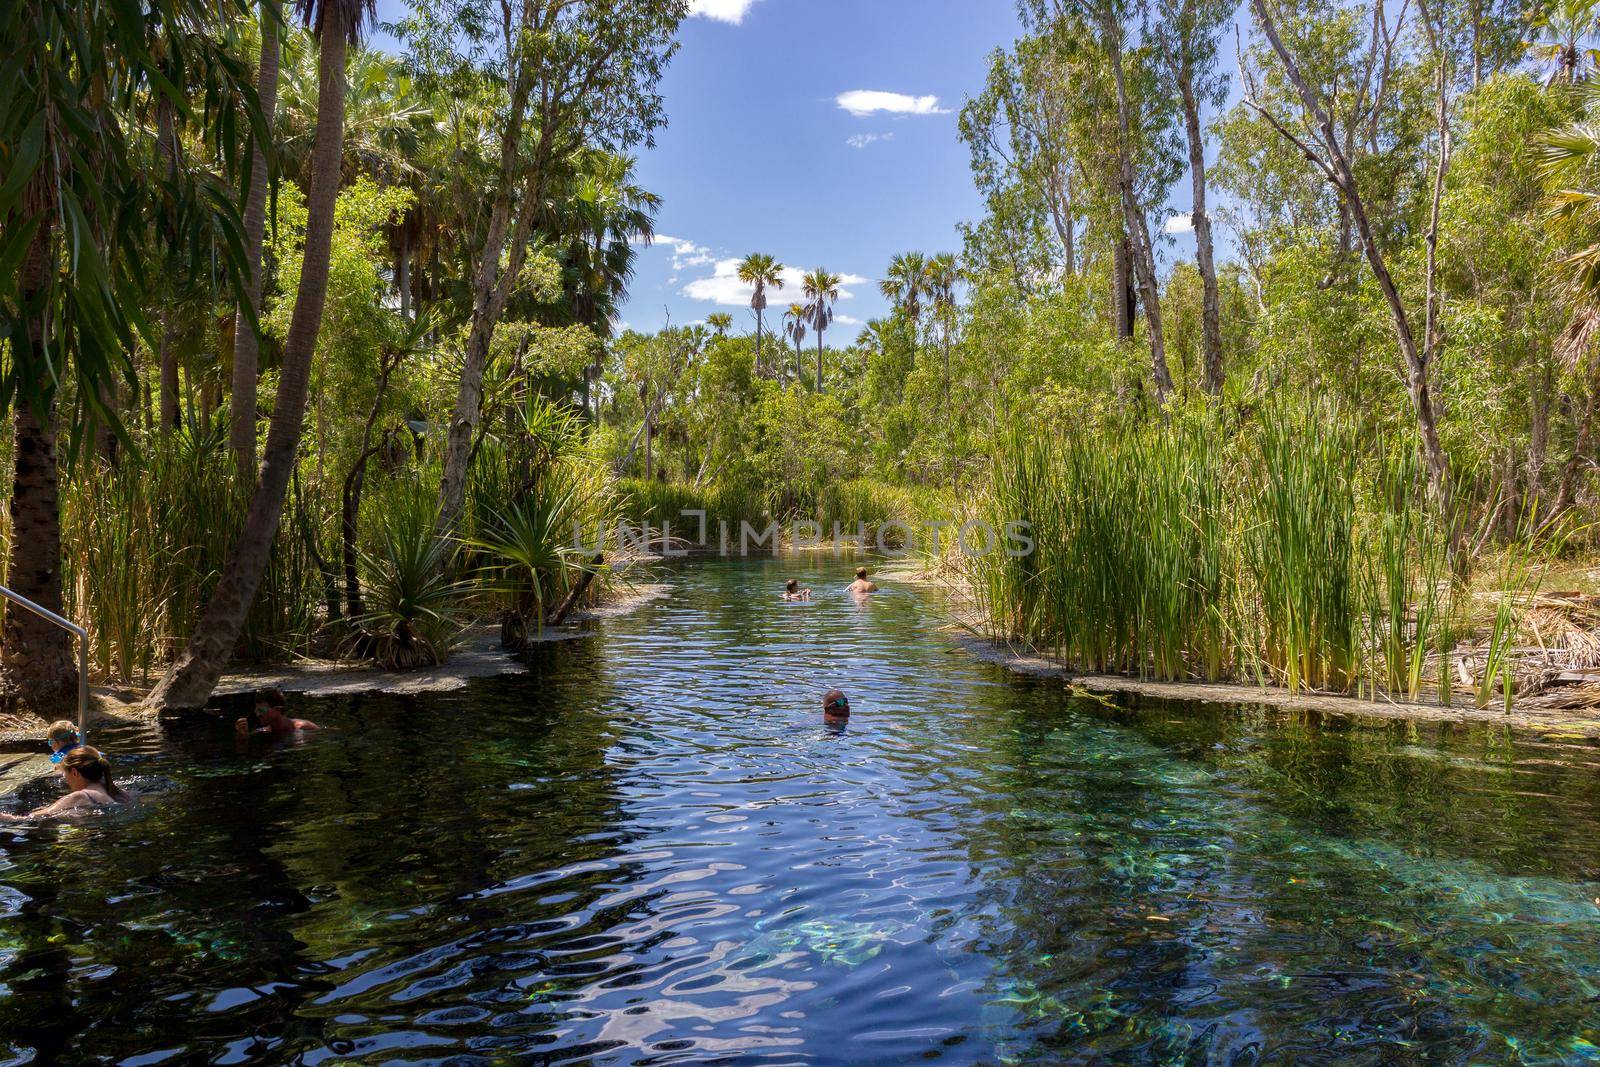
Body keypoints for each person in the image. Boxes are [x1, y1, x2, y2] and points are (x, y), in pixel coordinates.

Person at [0, 747, 129, 820]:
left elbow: (31, 818)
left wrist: (3, 817)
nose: (65, 778)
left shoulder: (79, 797)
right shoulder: (119, 792)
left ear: (74, 772)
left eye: (64, 774)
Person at [236, 687, 320, 740]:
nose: (258, 715)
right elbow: (243, 749)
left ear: (277, 710)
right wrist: (242, 733)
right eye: (256, 711)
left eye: (261, 710)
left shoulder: (304, 727)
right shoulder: (264, 731)